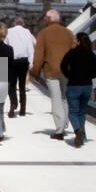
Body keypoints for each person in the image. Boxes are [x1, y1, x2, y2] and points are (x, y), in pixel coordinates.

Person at [30, 8, 76, 140]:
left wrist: (36, 73)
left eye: (45, 18)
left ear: (49, 20)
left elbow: (38, 56)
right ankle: (65, 122)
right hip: (67, 71)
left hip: (51, 71)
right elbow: (74, 51)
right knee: (64, 98)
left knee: (56, 99)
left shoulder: (43, 34)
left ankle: (59, 129)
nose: (43, 20)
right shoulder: (68, 33)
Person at [60, 32, 96, 147]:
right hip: (87, 86)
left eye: (75, 39)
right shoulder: (91, 54)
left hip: (73, 85)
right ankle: (82, 136)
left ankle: (78, 130)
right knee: (82, 112)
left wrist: (69, 75)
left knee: (73, 112)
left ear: (78, 41)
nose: (73, 40)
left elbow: (63, 66)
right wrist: (89, 76)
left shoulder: (71, 53)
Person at [4, 16, 35, 117]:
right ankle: (23, 110)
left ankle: (13, 103)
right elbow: (32, 46)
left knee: (11, 85)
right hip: (24, 61)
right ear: (23, 24)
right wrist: (31, 62)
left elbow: (5, 45)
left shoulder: (8, 31)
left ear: (14, 23)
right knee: (22, 86)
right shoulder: (27, 32)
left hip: (12, 61)